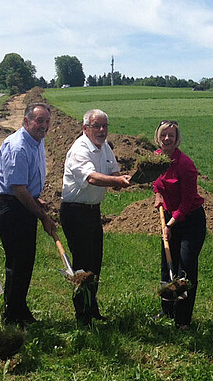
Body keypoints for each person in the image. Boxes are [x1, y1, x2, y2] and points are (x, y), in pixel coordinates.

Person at [60, 109, 131, 325]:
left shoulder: (106, 147)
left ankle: (92, 307)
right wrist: (115, 182)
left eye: (105, 126)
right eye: (96, 126)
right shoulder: (80, 149)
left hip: (93, 211)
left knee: (95, 262)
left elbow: (113, 174)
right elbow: (91, 178)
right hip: (75, 211)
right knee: (82, 264)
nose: (101, 130)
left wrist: (124, 179)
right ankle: (82, 314)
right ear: (85, 128)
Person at [0, 102, 57, 326]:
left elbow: (25, 186)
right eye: (39, 121)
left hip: (23, 203)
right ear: (26, 121)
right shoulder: (19, 146)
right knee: (18, 261)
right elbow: (18, 189)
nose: (44, 125)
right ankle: (12, 315)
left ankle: (19, 308)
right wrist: (43, 216)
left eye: (47, 121)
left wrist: (36, 199)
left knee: (25, 261)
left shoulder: (37, 141)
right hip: (12, 208)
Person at [152, 120, 206, 331]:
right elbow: (156, 182)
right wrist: (158, 194)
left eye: (171, 136)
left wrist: (170, 224)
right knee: (167, 265)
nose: (167, 139)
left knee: (185, 267)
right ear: (159, 137)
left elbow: (187, 202)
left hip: (190, 221)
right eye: (164, 135)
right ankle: (168, 311)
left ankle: (183, 320)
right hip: (169, 216)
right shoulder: (156, 159)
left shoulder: (185, 165)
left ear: (177, 139)